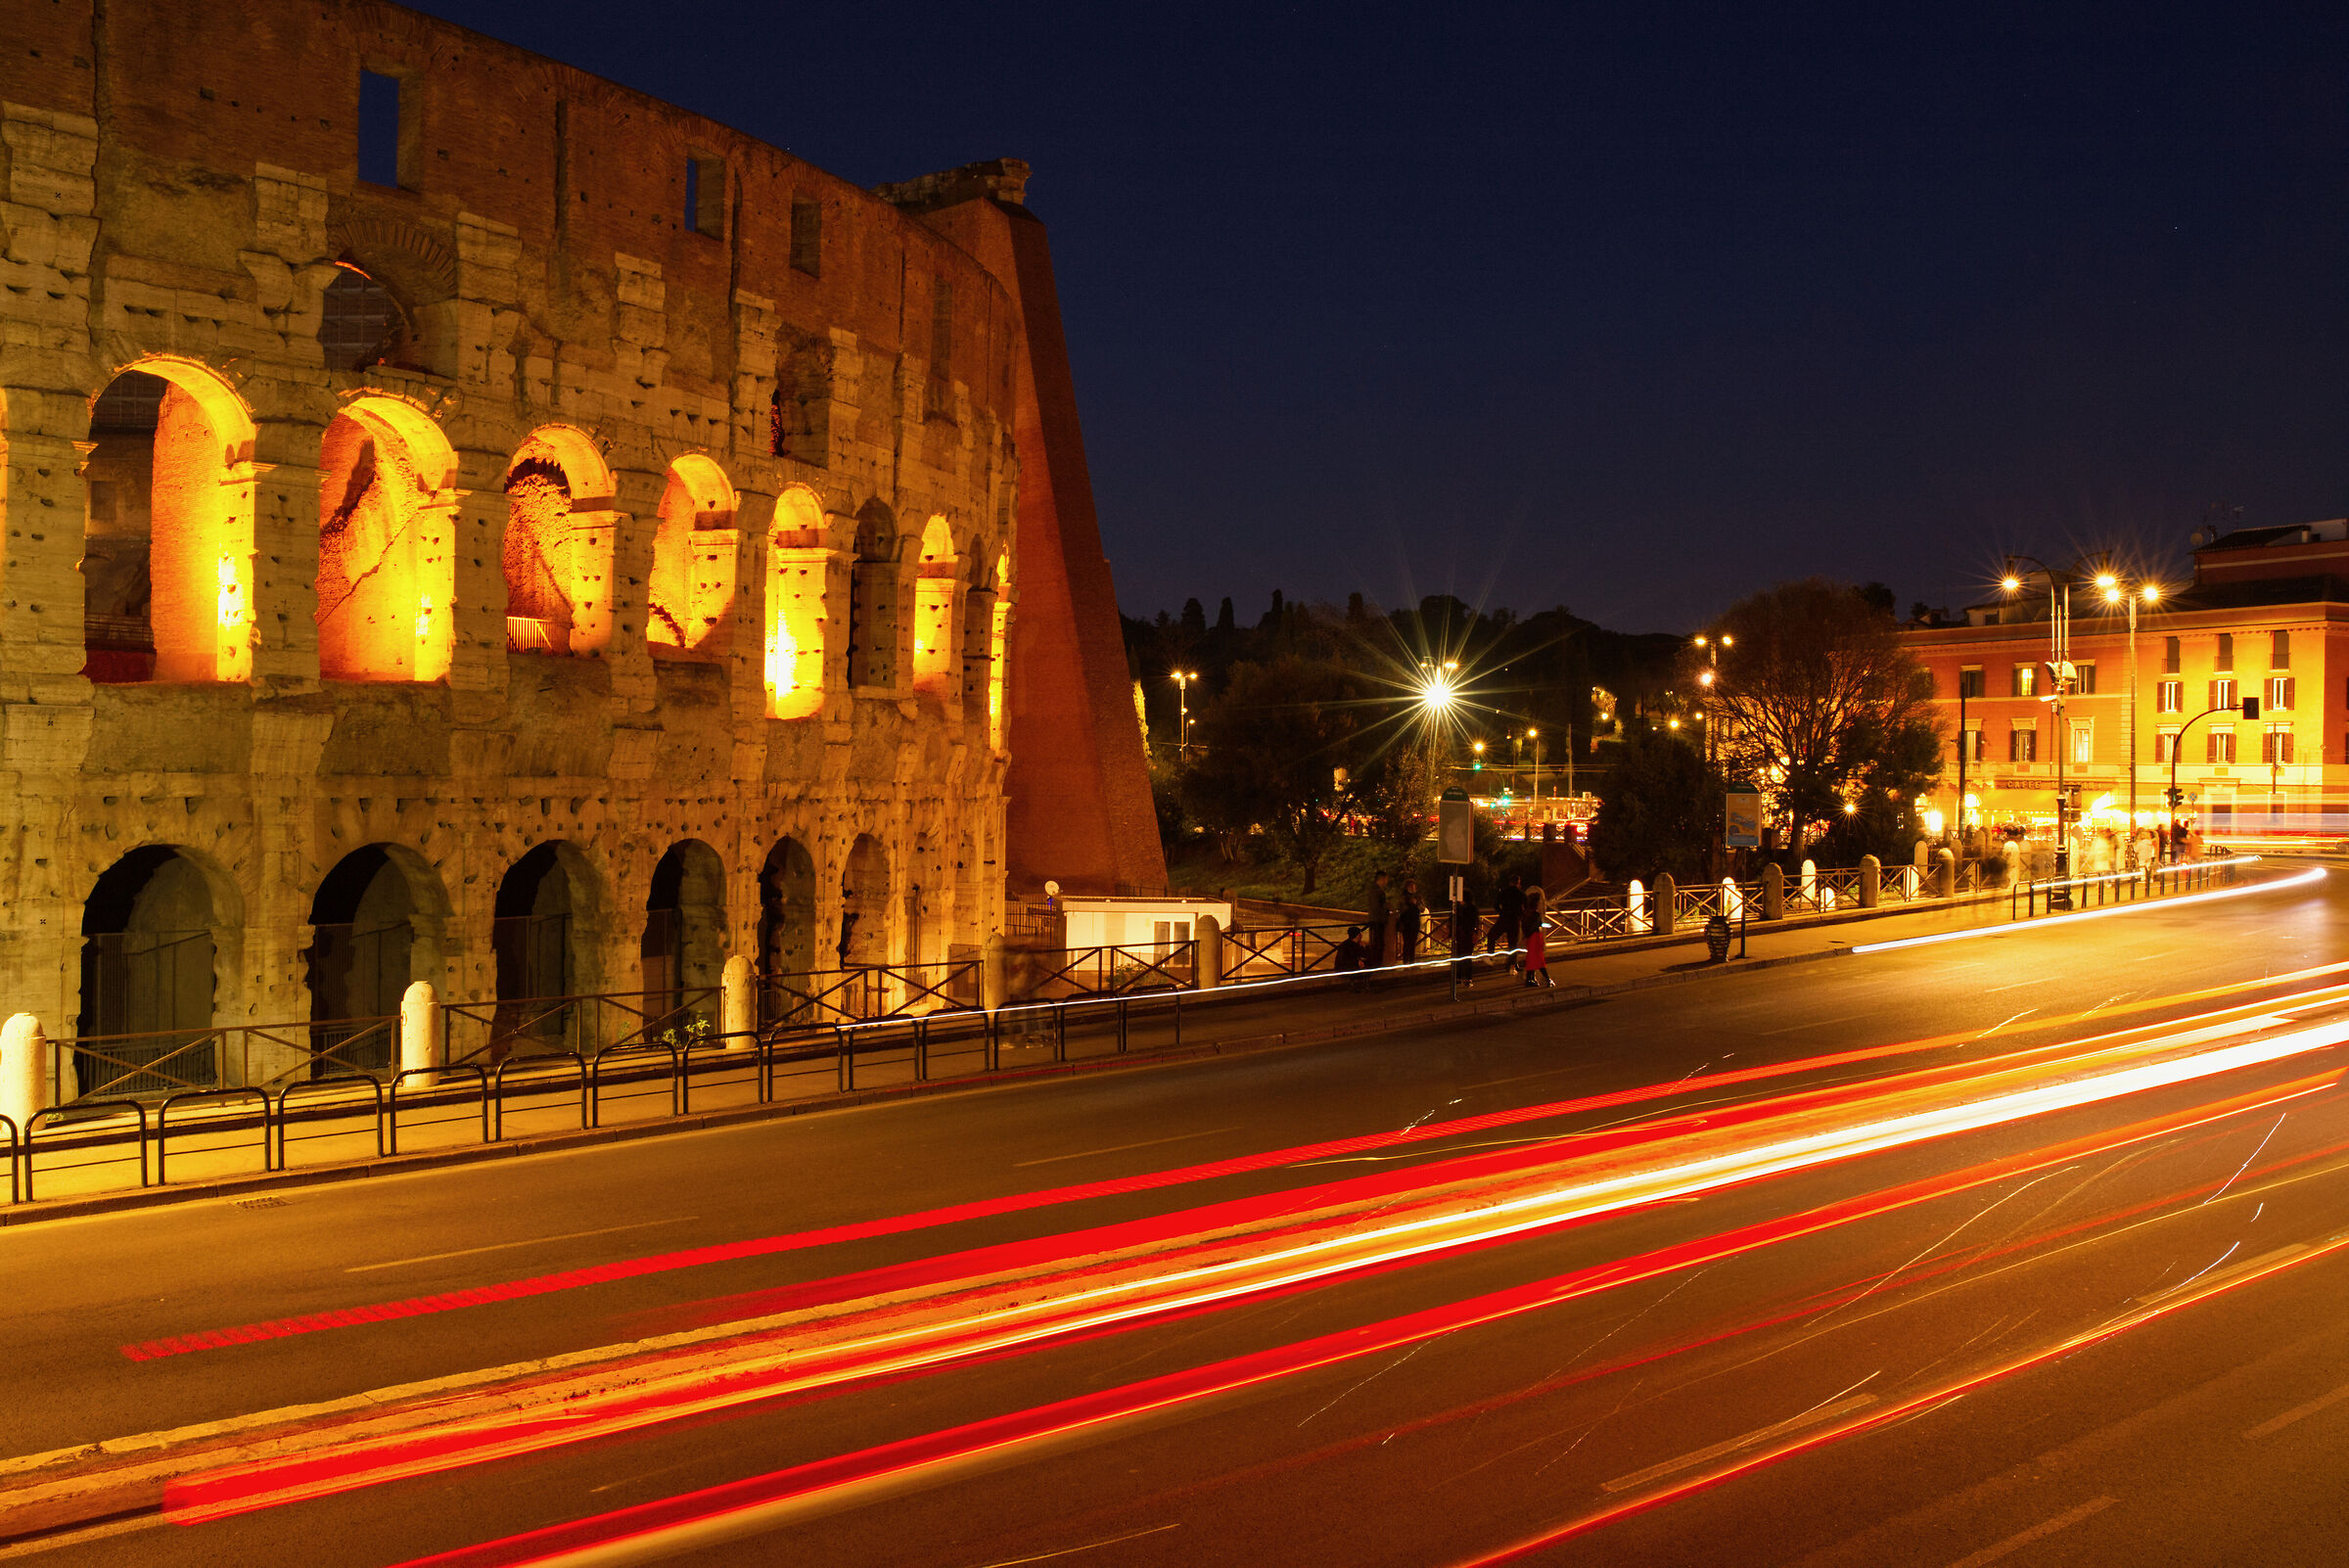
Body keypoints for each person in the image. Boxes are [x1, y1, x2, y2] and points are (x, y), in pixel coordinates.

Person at [1487, 872, 1524, 964]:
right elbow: (1526, 907)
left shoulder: (1503, 892)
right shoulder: (1521, 894)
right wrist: (1520, 916)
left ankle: (1491, 956)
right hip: (1514, 921)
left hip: (1504, 919)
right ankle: (1511, 965)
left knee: (1491, 936)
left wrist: (1502, 912)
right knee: (1513, 944)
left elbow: (1496, 905)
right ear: (1518, 882)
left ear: (1510, 882)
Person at [1521, 885, 1551, 988]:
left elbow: (1525, 927)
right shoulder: (1536, 915)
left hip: (1530, 939)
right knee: (1539, 960)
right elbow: (1537, 925)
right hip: (1536, 938)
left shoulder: (1525, 914)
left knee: (1531, 959)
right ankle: (1548, 979)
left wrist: (1525, 936)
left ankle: (1529, 979)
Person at [1364, 870, 1392, 966]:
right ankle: (1377, 965)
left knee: (1375, 944)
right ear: (1382, 879)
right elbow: (1380, 907)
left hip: (1373, 920)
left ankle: (1374, 965)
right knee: (1379, 944)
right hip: (1378, 920)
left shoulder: (1371, 890)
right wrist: (1387, 912)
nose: (1386, 881)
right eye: (1386, 879)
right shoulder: (1379, 892)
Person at [1398, 878, 1424, 962]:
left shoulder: (1418, 896)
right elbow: (1401, 909)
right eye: (1410, 886)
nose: (1413, 888)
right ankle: (1405, 961)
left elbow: (1422, 908)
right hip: (1406, 923)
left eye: (1414, 886)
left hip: (1415, 922)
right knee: (1406, 943)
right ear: (1407, 887)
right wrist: (1409, 904)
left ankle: (1412, 961)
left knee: (1413, 943)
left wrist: (1416, 904)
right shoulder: (1403, 896)